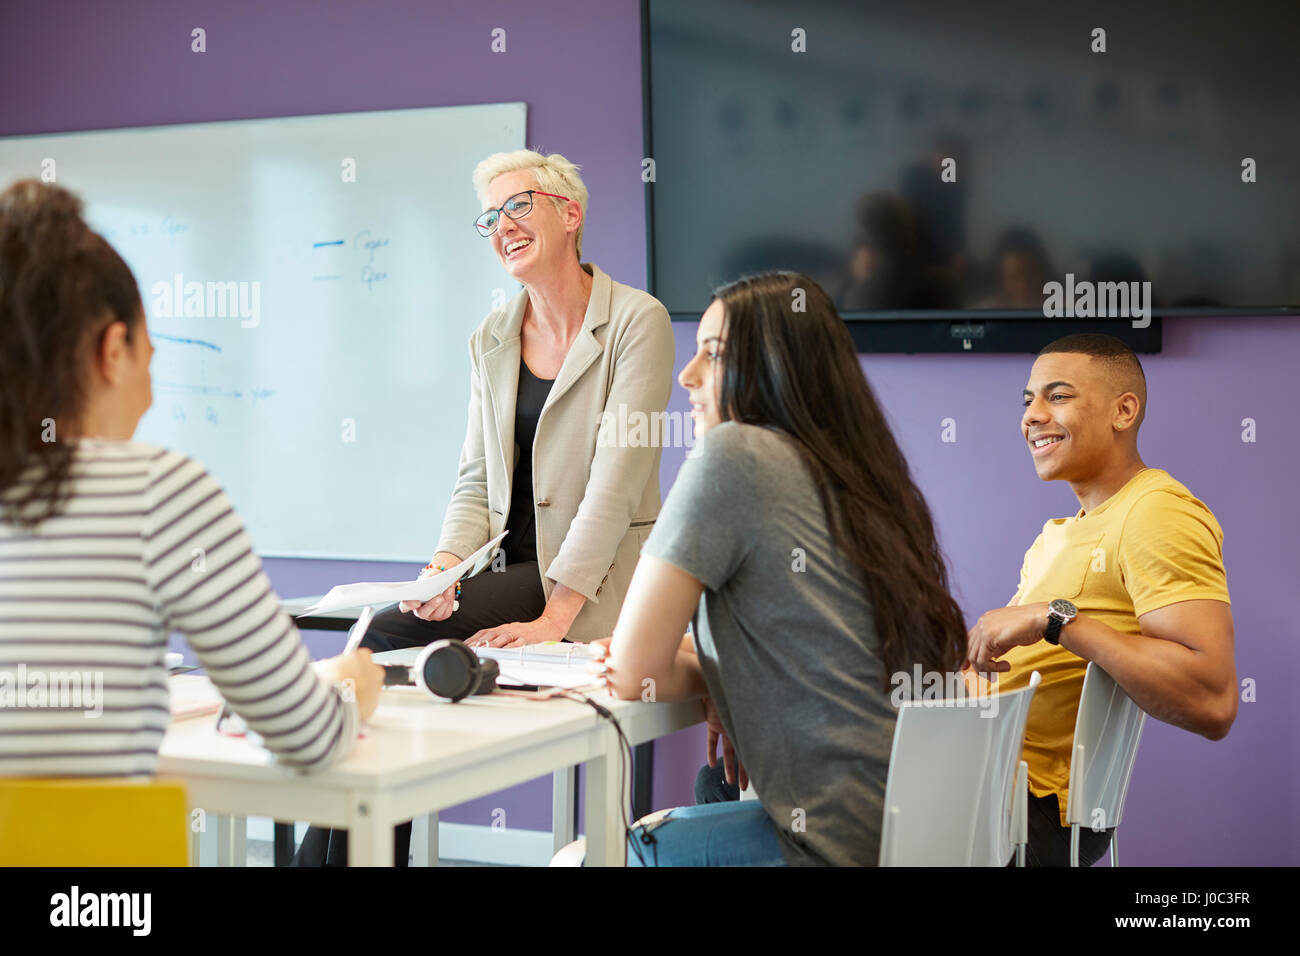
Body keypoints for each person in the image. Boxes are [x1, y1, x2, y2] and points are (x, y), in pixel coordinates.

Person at [294, 149, 674, 864]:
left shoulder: (636, 321)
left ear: (570, 213)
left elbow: (616, 482)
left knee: (383, 641)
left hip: (598, 580)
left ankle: (337, 856)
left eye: (518, 206)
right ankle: (358, 846)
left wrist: (554, 618)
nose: (502, 226)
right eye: (489, 218)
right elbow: (475, 479)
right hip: (513, 570)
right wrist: (443, 573)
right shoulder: (492, 337)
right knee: (402, 630)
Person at [0, 179, 383, 779]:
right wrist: (345, 685)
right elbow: (307, 737)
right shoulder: (157, 491)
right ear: (114, 348)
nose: (150, 396)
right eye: (151, 355)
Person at [599, 272, 968, 865]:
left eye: (713, 356)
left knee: (591, 854)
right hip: (909, 834)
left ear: (774, 368)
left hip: (822, 848)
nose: (687, 377)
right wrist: (721, 675)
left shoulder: (733, 454)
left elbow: (629, 670)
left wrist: (714, 677)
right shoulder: (860, 480)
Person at [966, 333, 1236, 866]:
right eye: (1028, 401)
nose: (1033, 416)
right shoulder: (1057, 535)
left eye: (1058, 396)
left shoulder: (1155, 511)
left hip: (1027, 807)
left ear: (1124, 411)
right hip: (977, 773)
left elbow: (1213, 699)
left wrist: (1055, 618)